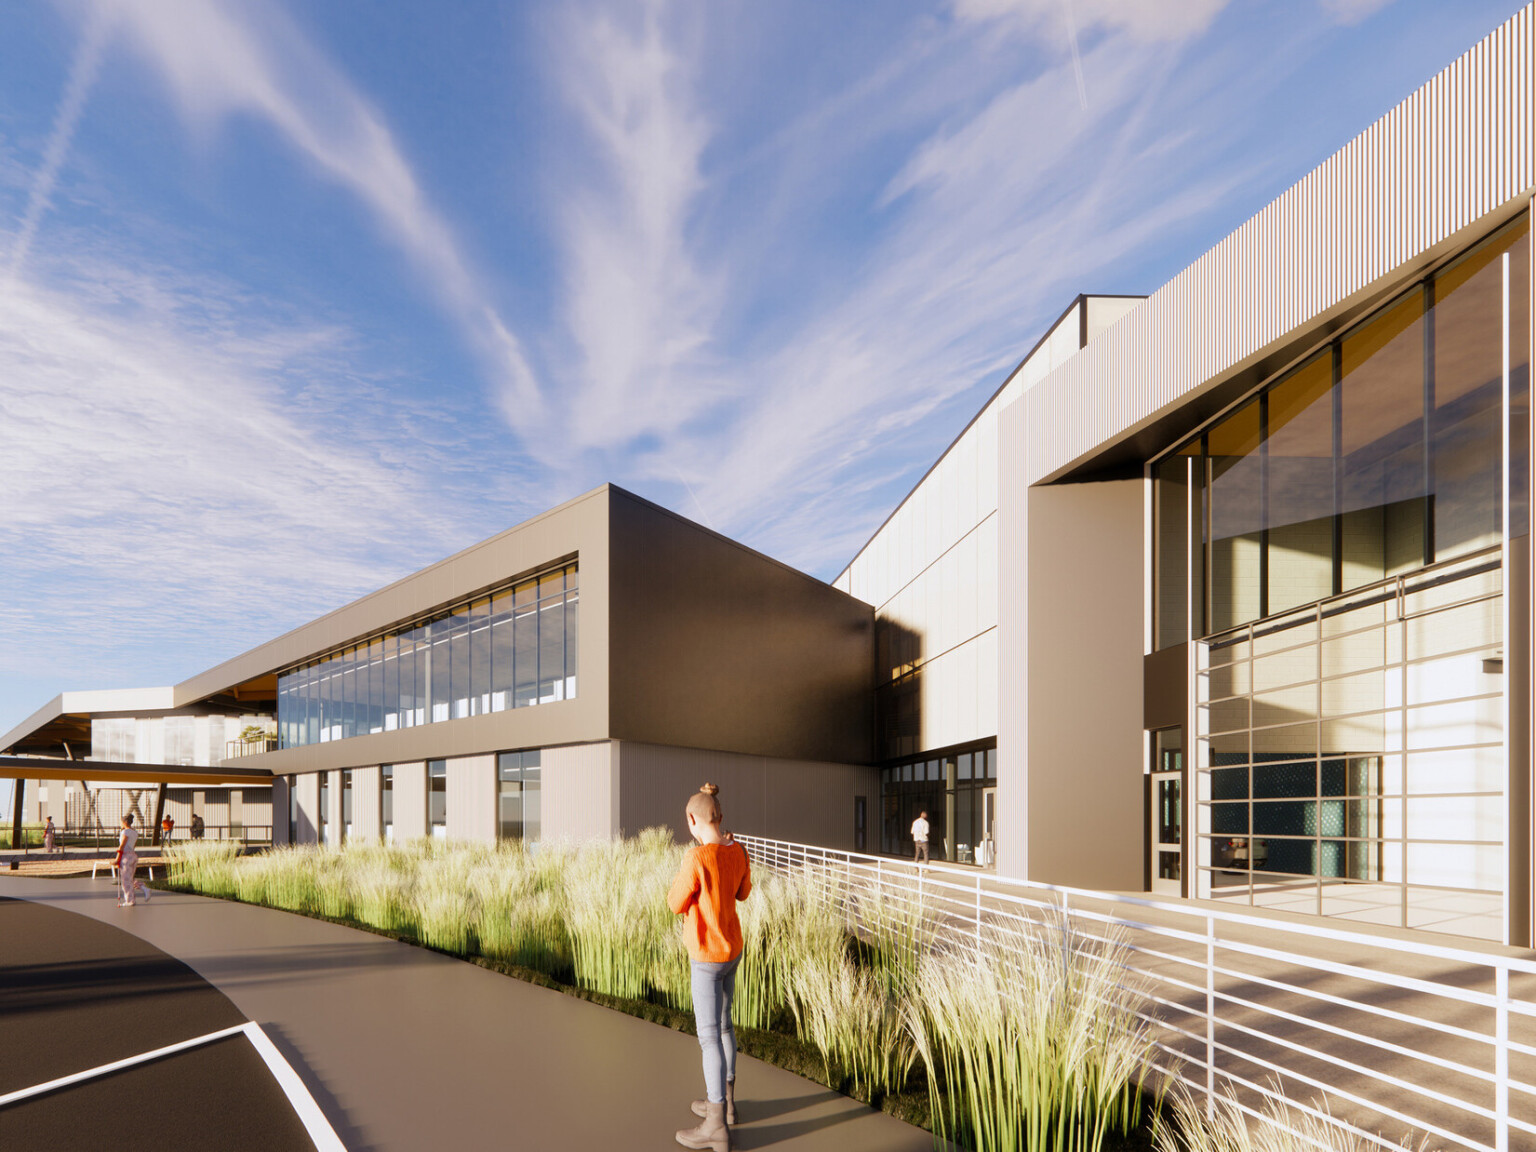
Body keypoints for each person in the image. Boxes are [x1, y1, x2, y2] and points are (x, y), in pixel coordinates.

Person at [668, 783, 751, 1152]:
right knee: (725, 1026)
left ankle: (716, 1124)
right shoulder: (738, 850)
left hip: (705, 957)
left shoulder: (695, 858)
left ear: (692, 820)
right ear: (720, 817)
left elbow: (674, 902)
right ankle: (727, 1103)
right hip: (732, 951)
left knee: (707, 1037)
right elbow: (743, 893)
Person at [114, 815, 150, 907]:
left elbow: (122, 846)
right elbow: (133, 846)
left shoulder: (125, 832)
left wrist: (117, 859)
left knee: (126, 881)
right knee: (129, 878)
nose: (120, 824)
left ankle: (130, 901)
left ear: (125, 822)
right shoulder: (134, 832)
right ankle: (143, 888)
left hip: (126, 857)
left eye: (121, 822)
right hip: (133, 856)